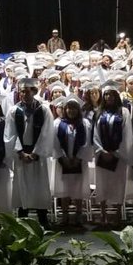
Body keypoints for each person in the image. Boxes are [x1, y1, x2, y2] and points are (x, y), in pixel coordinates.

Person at [9, 78, 54, 226]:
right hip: (22, 155)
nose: (24, 94)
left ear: (34, 92)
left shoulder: (43, 109)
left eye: (27, 91)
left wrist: (36, 153)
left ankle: (43, 219)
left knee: (40, 185)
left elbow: (47, 132)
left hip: (38, 155)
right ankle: (23, 219)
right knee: (22, 185)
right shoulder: (14, 110)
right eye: (21, 91)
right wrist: (20, 152)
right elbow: (10, 133)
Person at [93, 84, 132, 225]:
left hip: (119, 156)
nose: (109, 97)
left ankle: (117, 214)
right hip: (102, 155)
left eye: (111, 94)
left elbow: (127, 133)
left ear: (116, 96)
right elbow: (95, 134)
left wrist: (116, 152)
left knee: (118, 183)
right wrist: (101, 151)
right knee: (102, 184)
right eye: (106, 94)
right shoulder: (99, 112)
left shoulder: (124, 112)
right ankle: (103, 214)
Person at [51, 95, 93, 227]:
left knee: (78, 188)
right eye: (69, 108)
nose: (71, 111)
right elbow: (55, 143)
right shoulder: (57, 123)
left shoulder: (85, 123)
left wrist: (78, 158)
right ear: (65, 109)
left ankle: (79, 215)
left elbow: (87, 143)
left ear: (78, 110)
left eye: (74, 108)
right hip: (63, 161)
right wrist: (63, 158)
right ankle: (64, 215)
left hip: (79, 161)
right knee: (64, 189)